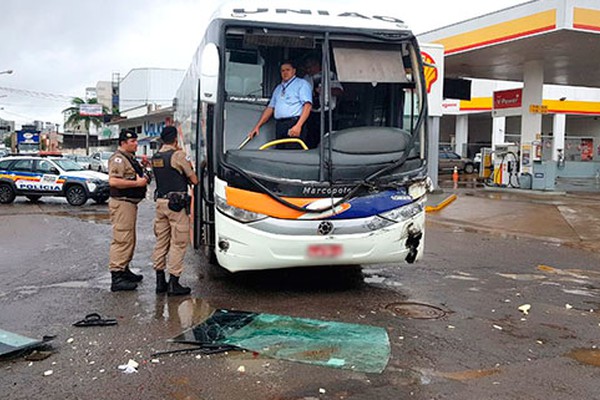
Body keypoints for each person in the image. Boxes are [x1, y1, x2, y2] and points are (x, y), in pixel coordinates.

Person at [151, 126, 198, 296]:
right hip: (176, 205)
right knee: (178, 243)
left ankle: (159, 281)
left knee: (161, 241)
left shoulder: (156, 156)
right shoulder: (177, 155)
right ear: (175, 139)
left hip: (161, 203)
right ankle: (174, 283)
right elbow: (194, 179)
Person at [107, 130, 149, 292]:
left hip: (130, 204)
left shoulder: (130, 158)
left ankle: (124, 269)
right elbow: (114, 181)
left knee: (129, 238)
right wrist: (137, 184)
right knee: (122, 238)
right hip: (122, 203)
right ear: (123, 142)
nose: (136, 144)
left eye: (136, 141)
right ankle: (117, 276)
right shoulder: (118, 159)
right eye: (132, 141)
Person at [248, 60, 312, 149]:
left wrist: (298, 126)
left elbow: (307, 106)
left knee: (292, 153)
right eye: (282, 71)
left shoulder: (302, 84)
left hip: (294, 123)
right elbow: (270, 108)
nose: (285, 73)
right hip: (280, 125)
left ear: (294, 71)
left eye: (287, 70)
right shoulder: (278, 88)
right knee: (279, 152)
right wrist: (257, 126)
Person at [303, 56, 344, 148]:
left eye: (310, 67)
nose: (308, 70)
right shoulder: (306, 78)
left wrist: (325, 90)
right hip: (312, 112)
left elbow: (340, 91)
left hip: (326, 112)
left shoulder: (330, 75)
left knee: (326, 137)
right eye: (307, 68)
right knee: (311, 138)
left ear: (317, 65)